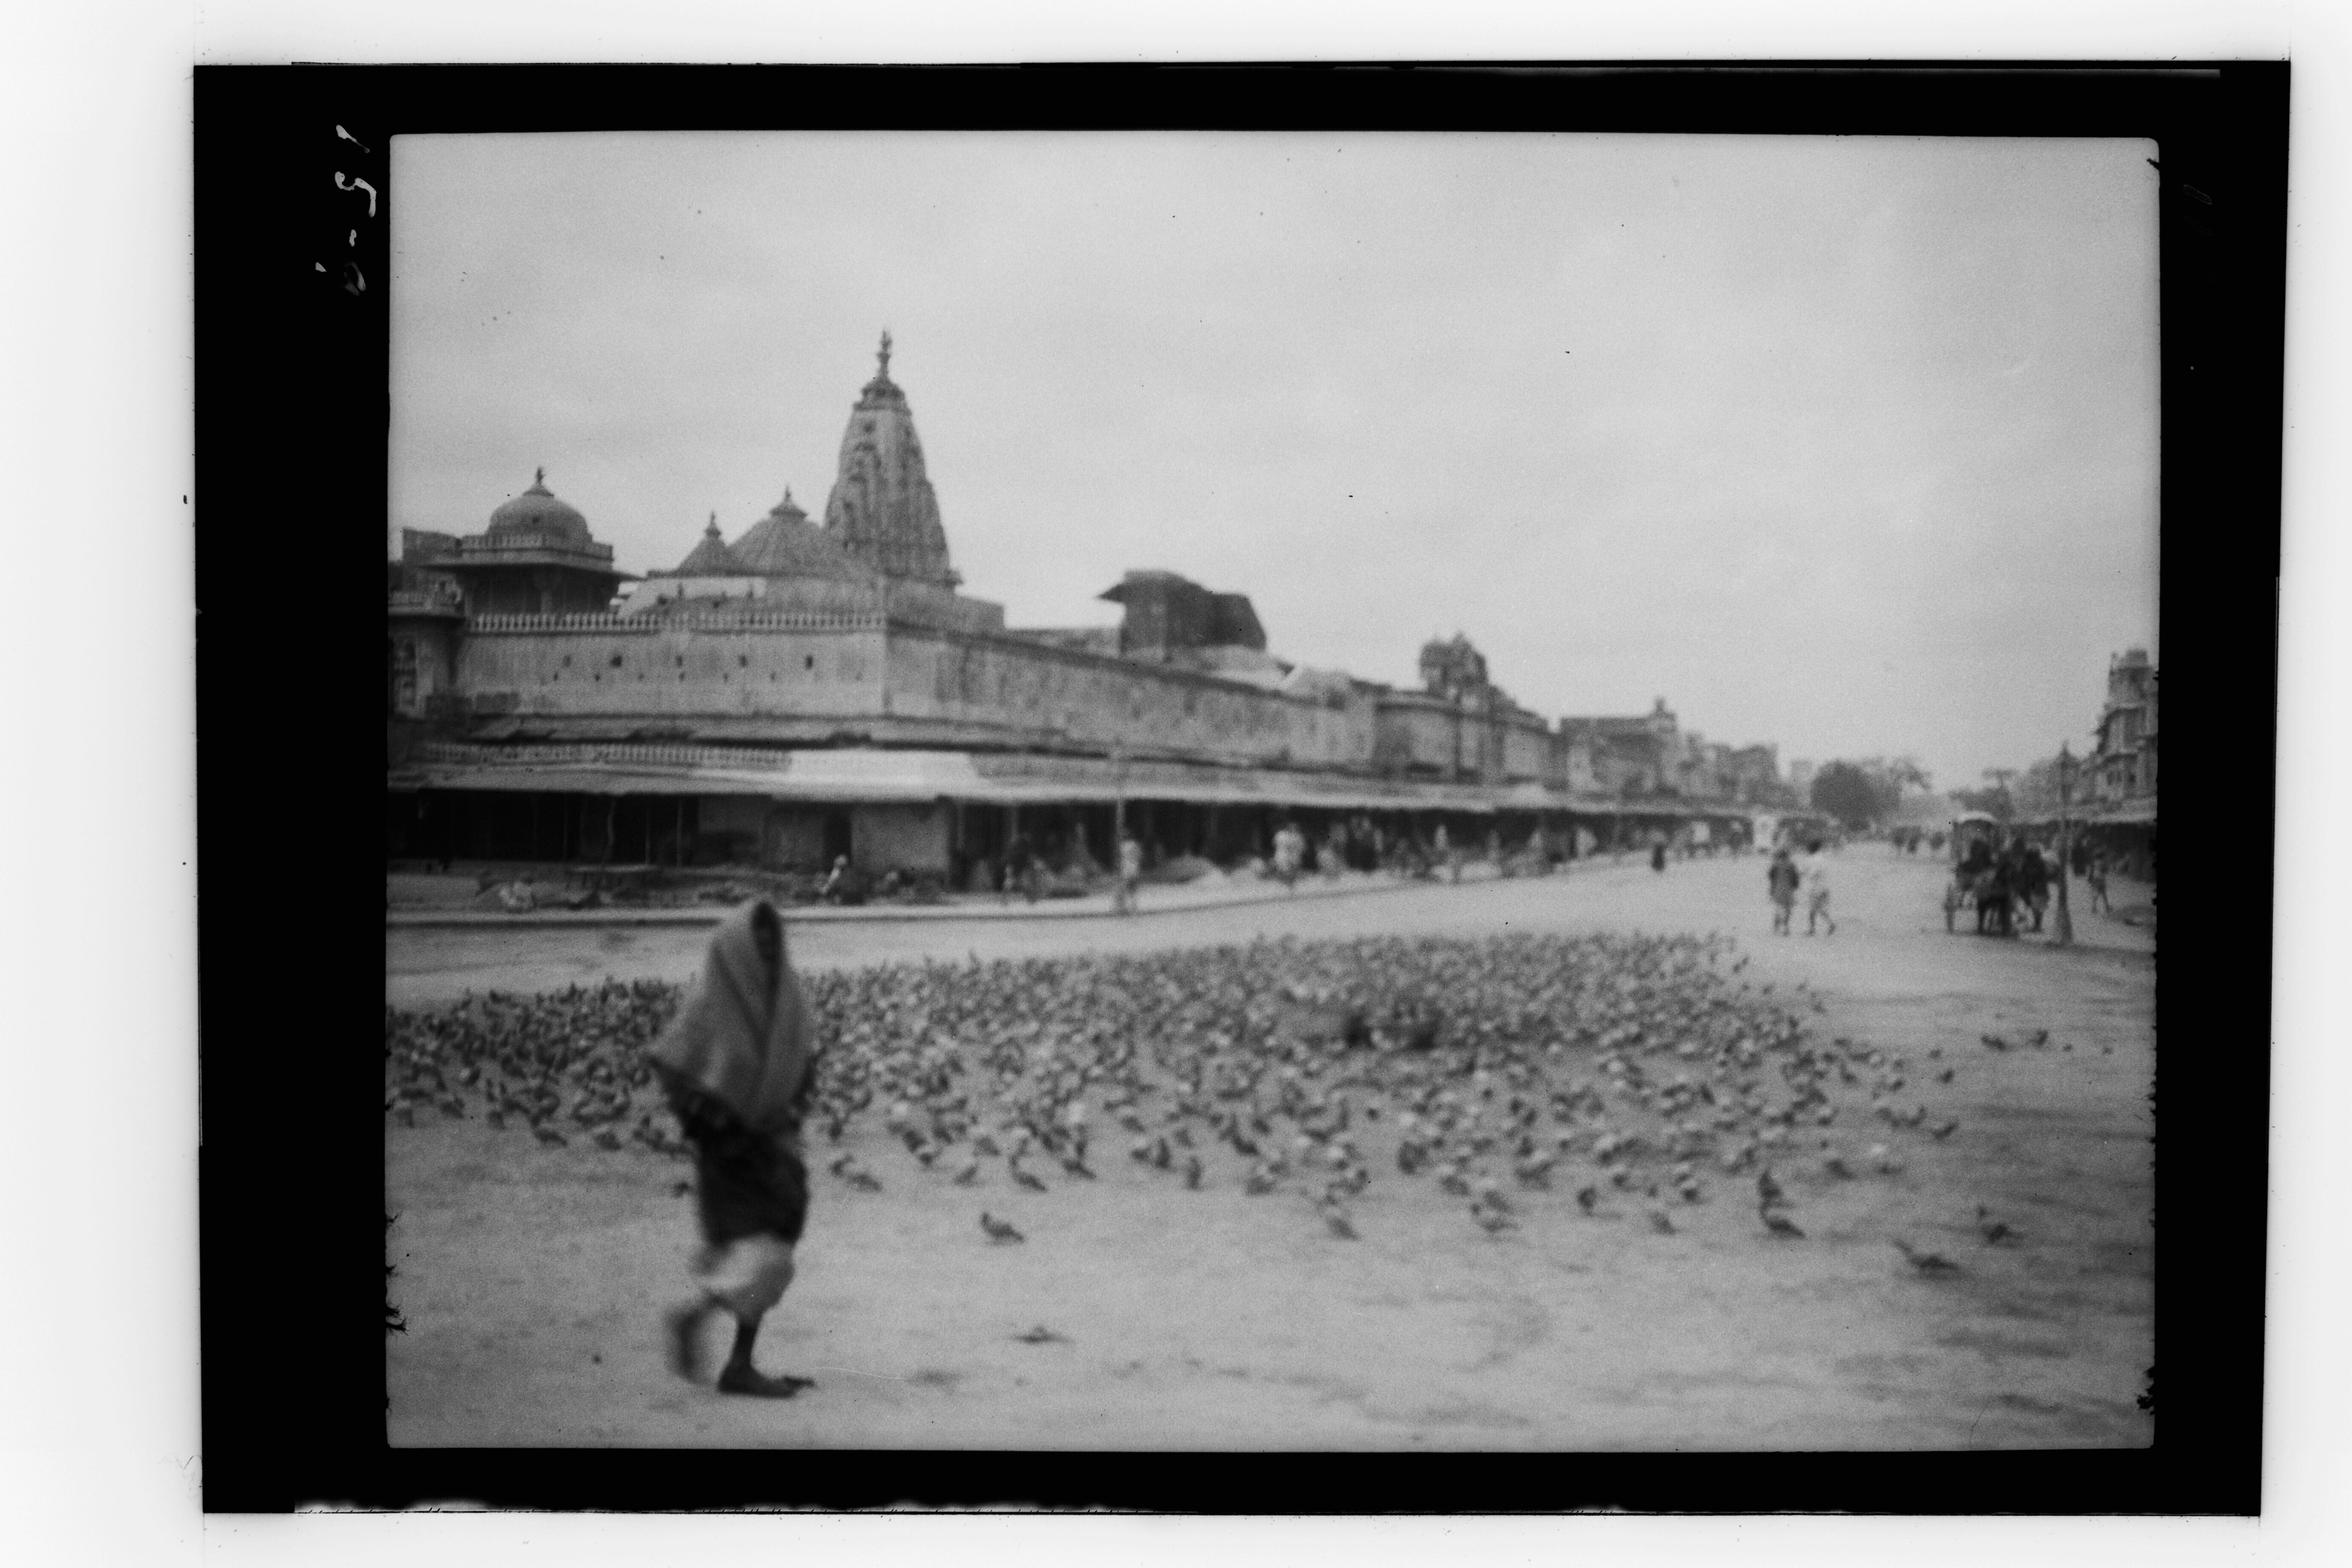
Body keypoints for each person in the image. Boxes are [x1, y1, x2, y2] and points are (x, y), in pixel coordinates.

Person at [650, 899, 820, 1399]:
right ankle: (720, 1341)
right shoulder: (709, 1004)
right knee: (761, 1254)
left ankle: (730, 1350)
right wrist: (714, 1120)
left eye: (772, 943)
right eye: (757, 944)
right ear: (736, 948)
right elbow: (675, 1064)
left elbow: (803, 1063)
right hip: (729, 1153)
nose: (766, 952)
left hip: (776, 1145)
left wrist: (788, 1109)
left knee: (777, 1251)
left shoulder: (788, 998)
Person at [1802, 839, 1836, 935]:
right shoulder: (1822, 858)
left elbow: (1812, 873)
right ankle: (1829, 924)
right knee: (1819, 909)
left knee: (1813, 909)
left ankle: (1813, 929)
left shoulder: (1813, 859)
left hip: (1816, 888)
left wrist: (1804, 874)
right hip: (1824, 887)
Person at [2016, 841, 2051, 933]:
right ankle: (2037, 925)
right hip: (2040, 888)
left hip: (2033, 888)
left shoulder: (2028, 863)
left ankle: (2037, 925)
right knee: (2038, 908)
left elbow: (2023, 875)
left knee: (2035, 908)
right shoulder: (2040, 863)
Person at [1767, 846, 1801, 935]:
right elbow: (1796, 878)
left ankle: (1776, 927)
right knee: (1788, 909)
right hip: (1789, 889)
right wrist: (1796, 887)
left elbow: (1771, 878)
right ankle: (1786, 928)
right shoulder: (1791, 865)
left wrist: (1772, 889)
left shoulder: (1776, 865)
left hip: (1778, 888)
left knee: (1779, 909)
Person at [1113, 830, 1143, 915]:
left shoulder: (1122, 846)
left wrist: (1118, 868)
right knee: (1133, 889)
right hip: (1135, 868)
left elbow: (1119, 858)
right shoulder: (1135, 845)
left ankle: (1122, 907)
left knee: (1124, 888)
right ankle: (1133, 906)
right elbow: (1139, 855)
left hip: (1126, 869)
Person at [1272, 820, 1306, 891]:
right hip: (1287, 856)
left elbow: (1274, 844)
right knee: (1288, 871)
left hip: (1286, 856)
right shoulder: (1288, 836)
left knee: (1289, 871)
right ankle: (1289, 886)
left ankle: (1289, 886)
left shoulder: (1281, 834)